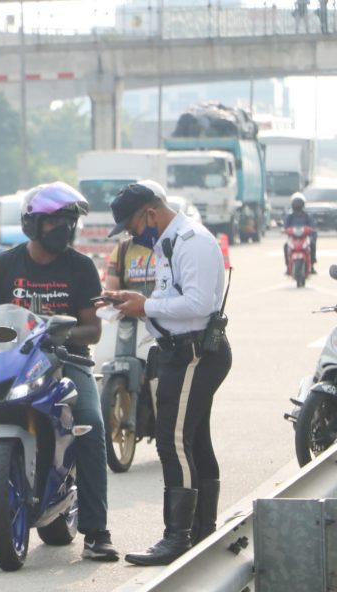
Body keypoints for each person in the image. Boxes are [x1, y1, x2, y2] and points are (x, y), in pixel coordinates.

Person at [0, 182, 119, 563]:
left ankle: (97, 531)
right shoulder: (3, 265)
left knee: (91, 425)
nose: (64, 228)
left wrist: (51, 331)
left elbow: (92, 330)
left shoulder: (80, 268)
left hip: (67, 361)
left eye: (69, 221)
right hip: (8, 364)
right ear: (33, 225)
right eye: (55, 222)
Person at [103, 181, 232, 566]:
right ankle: (202, 530)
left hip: (195, 353)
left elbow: (196, 303)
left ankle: (178, 537)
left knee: (172, 442)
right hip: (178, 353)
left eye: (131, 225)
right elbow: (169, 298)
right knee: (193, 439)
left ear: (151, 214)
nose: (130, 235)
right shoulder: (167, 243)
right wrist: (136, 304)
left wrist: (147, 306)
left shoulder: (192, 242)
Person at [282, 192, 317, 275]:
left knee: (312, 244)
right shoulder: (290, 216)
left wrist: (312, 230)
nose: (297, 205)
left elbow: (312, 226)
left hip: (304, 237)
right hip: (293, 238)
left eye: (299, 203)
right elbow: (285, 226)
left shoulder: (307, 216)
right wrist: (284, 230)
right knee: (286, 246)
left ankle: (312, 264)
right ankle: (288, 266)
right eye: (296, 203)